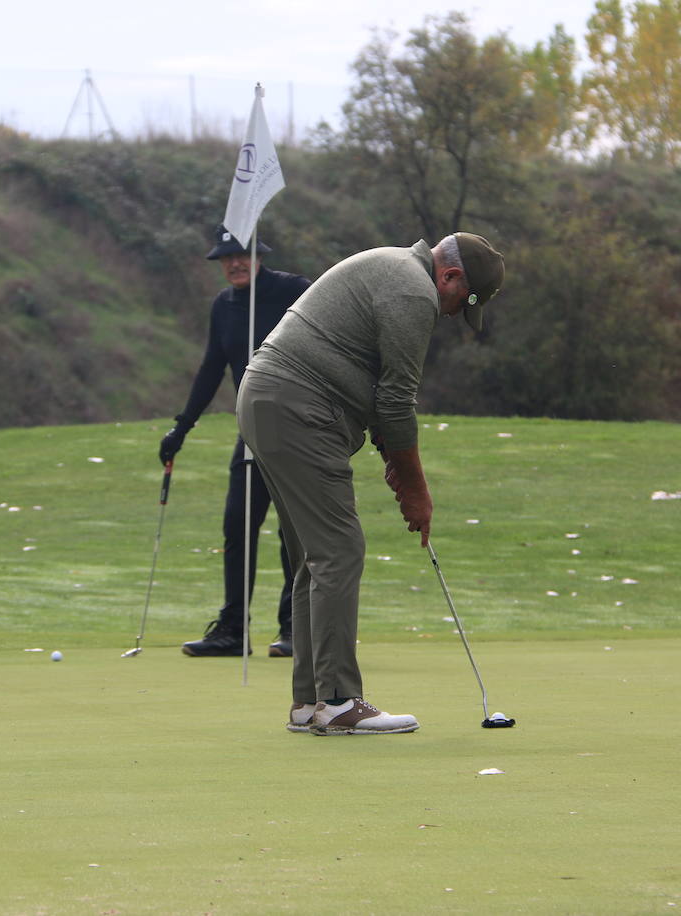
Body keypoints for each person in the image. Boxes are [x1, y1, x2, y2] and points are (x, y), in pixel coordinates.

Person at [236, 232, 505, 735]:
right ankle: (338, 701)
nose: (451, 315)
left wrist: (393, 460)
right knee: (340, 551)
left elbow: (378, 393)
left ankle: (310, 703)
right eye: (460, 303)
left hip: (269, 400)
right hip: (299, 406)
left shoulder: (391, 268)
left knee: (315, 558)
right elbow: (397, 399)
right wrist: (416, 489)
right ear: (448, 277)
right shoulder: (413, 291)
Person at [159, 224, 311, 658]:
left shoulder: (293, 291)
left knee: (292, 531)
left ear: (259, 254)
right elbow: (211, 369)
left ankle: (294, 626)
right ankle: (232, 630)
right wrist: (182, 427)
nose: (235, 263)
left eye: (242, 254)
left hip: (298, 426)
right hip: (252, 430)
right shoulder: (224, 306)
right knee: (237, 525)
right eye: (227, 258)